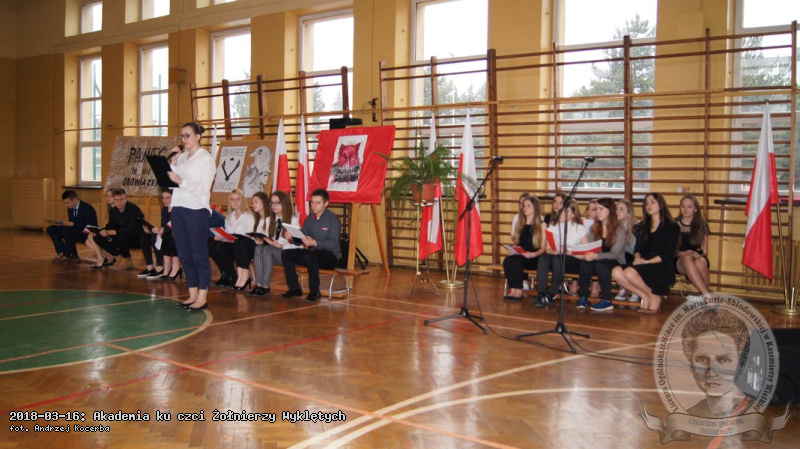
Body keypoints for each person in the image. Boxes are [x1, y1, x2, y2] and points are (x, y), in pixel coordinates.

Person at [167, 122, 216, 311]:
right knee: (185, 254)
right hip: (179, 209)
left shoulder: (205, 158)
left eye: (187, 135)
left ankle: (202, 297)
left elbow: (203, 188)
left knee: (198, 254)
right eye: (182, 136)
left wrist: (182, 180)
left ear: (197, 137)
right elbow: (171, 184)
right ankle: (192, 294)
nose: (184, 139)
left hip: (196, 210)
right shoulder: (182, 157)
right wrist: (173, 162)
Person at [611, 192, 680, 313]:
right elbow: (638, 249)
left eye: (652, 202)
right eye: (646, 203)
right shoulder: (642, 226)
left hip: (661, 265)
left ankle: (654, 296)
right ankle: (647, 295)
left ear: (661, 204)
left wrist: (647, 262)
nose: (649, 205)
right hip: (644, 263)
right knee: (616, 272)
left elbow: (668, 253)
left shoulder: (672, 226)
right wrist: (638, 258)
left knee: (629, 272)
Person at [681, 308, 755, 418]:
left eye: (723, 360)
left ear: (742, 364)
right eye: (702, 360)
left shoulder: (754, 413)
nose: (711, 372)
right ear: (691, 365)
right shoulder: (691, 413)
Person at [281, 188, 341, 301]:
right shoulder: (309, 218)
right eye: (312, 202)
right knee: (286, 254)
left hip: (331, 256)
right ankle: (294, 288)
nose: (314, 205)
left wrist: (315, 243)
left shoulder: (333, 219)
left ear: (326, 204)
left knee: (310, 256)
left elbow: (333, 243)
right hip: (313, 253)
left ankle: (314, 291)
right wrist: (292, 238)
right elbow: (302, 237)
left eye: (318, 203)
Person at [577, 198, 627, 311]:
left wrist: (596, 256)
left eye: (601, 209)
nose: (598, 212)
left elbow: (614, 253)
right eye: (597, 209)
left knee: (602, 265)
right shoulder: (593, 228)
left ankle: (607, 299)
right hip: (598, 259)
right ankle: (583, 296)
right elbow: (590, 247)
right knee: (585, 264)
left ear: (610, 210)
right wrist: (587, 254)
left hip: (616, 261)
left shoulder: (619, 228)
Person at [534, 201, 588, 307]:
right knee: (544, 257)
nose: (562, 214)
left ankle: (553, 292)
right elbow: (547, 249)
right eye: (561, 211)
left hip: (573, 259)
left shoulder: (579, 228)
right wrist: (555, 251)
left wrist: (568, 251)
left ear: (573, 214)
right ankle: (541, 293)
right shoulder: (553, 226)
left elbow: (586, 253)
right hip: (557, 256)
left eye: (566, 211)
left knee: (557, 259)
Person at [247, 191, 300, 296]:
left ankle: (265, 286)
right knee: (259, 248)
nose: (274, 206)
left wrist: (281, 246)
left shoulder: (293, 221)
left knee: (267, 250)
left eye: (277, 203)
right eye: (272, 203)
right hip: (272, 252)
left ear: (284, 204)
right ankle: (258, 284)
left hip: (287, 254)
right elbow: (267, 238)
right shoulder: (269, 220)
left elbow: (299, 245)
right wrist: (261, 241)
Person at [85, 188, 144, 270]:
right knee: (97, 237)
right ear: (114, 200)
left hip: (136, 237)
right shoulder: (113, 211)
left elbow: (130, 228)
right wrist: (101, 231)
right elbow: (110, 225)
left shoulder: (134, 209)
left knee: (122, 236)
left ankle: (126, 257)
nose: (119, 202)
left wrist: (110, 232)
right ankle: (117, 255)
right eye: (116, 200)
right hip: (120, 235)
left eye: (121, 199)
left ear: (126, 198)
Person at [503, 196, 546, 300]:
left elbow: (543, 248)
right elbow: (517, 243)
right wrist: (512, 250)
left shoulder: (541, 225)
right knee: (507, 261)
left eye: (528, 206)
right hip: (521, 255)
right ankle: (513, 288)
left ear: (535, 208)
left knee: (517, 262)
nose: (525, 208)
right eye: (524, 206)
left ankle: (519, 290)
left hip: (533, 257)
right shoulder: (520, 224)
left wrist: (532, 254)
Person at [209, 189, 254, 288]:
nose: (235, 202)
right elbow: (228, 235)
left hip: (244, 248)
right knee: (213, 245)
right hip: (232, 244)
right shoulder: (229, 217)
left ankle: (233, 275)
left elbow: (249, 237)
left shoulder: (249, 217)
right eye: (232, 199)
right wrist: (221, 237)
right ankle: (227, 274)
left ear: (243, 200)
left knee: (222, 247)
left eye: (238, 199)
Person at [675, 194, 712, 300]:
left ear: (695, 209)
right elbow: (668, 251)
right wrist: (683, 253)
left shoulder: (702, 225)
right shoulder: (674, 225)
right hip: (678, 258)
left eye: (689, 206)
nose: (685, 209)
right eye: (683, 206)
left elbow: (704, 250)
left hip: (696, 257)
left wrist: (698, 254)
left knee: (701, 262)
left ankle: (705, 297)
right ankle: (708, 296)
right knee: (687, 258)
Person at [47, 190, 98, 263]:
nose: (66, 205)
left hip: (85, 233)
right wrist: (63, 224)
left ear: (75, 199)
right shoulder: (70, 209)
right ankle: (61, 253)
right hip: (74, 231)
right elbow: (71, 224)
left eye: (68, 202)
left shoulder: (87, 208)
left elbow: (92, 227)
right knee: (51, 229)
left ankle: (72, 255)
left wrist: (72, 224)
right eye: (65, 203)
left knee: (66, 230)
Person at [614, 199, 639, 302]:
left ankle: (635, 289)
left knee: (625, 257)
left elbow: (635, 248)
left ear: (628, 213)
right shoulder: (615, 226)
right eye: (616, 209)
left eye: (621, 209)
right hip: (621, 255)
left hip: (633, 255)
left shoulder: (637, 227)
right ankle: (624, 287)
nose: (617, 212)